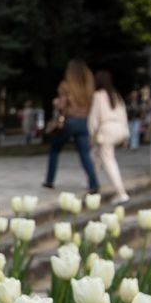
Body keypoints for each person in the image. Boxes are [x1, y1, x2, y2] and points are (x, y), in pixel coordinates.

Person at [44, 59, 99, 193]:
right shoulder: (89, 87)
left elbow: (62, 105)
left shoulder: (66, 85)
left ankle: (49, 181)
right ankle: (94, 183)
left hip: (70, 122)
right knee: (85, 154)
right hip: (84, 122)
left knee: (55, 149)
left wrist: (56, 102)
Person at [88, 71, 131, 204]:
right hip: (120, 128)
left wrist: (91, 133)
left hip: (106, 130)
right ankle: (92, 183)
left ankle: (121, 192)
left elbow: (94, 117)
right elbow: (124, 114)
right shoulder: (116, 95)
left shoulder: (98, 95)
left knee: (108, 160)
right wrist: (126, 135)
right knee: (96, 155)